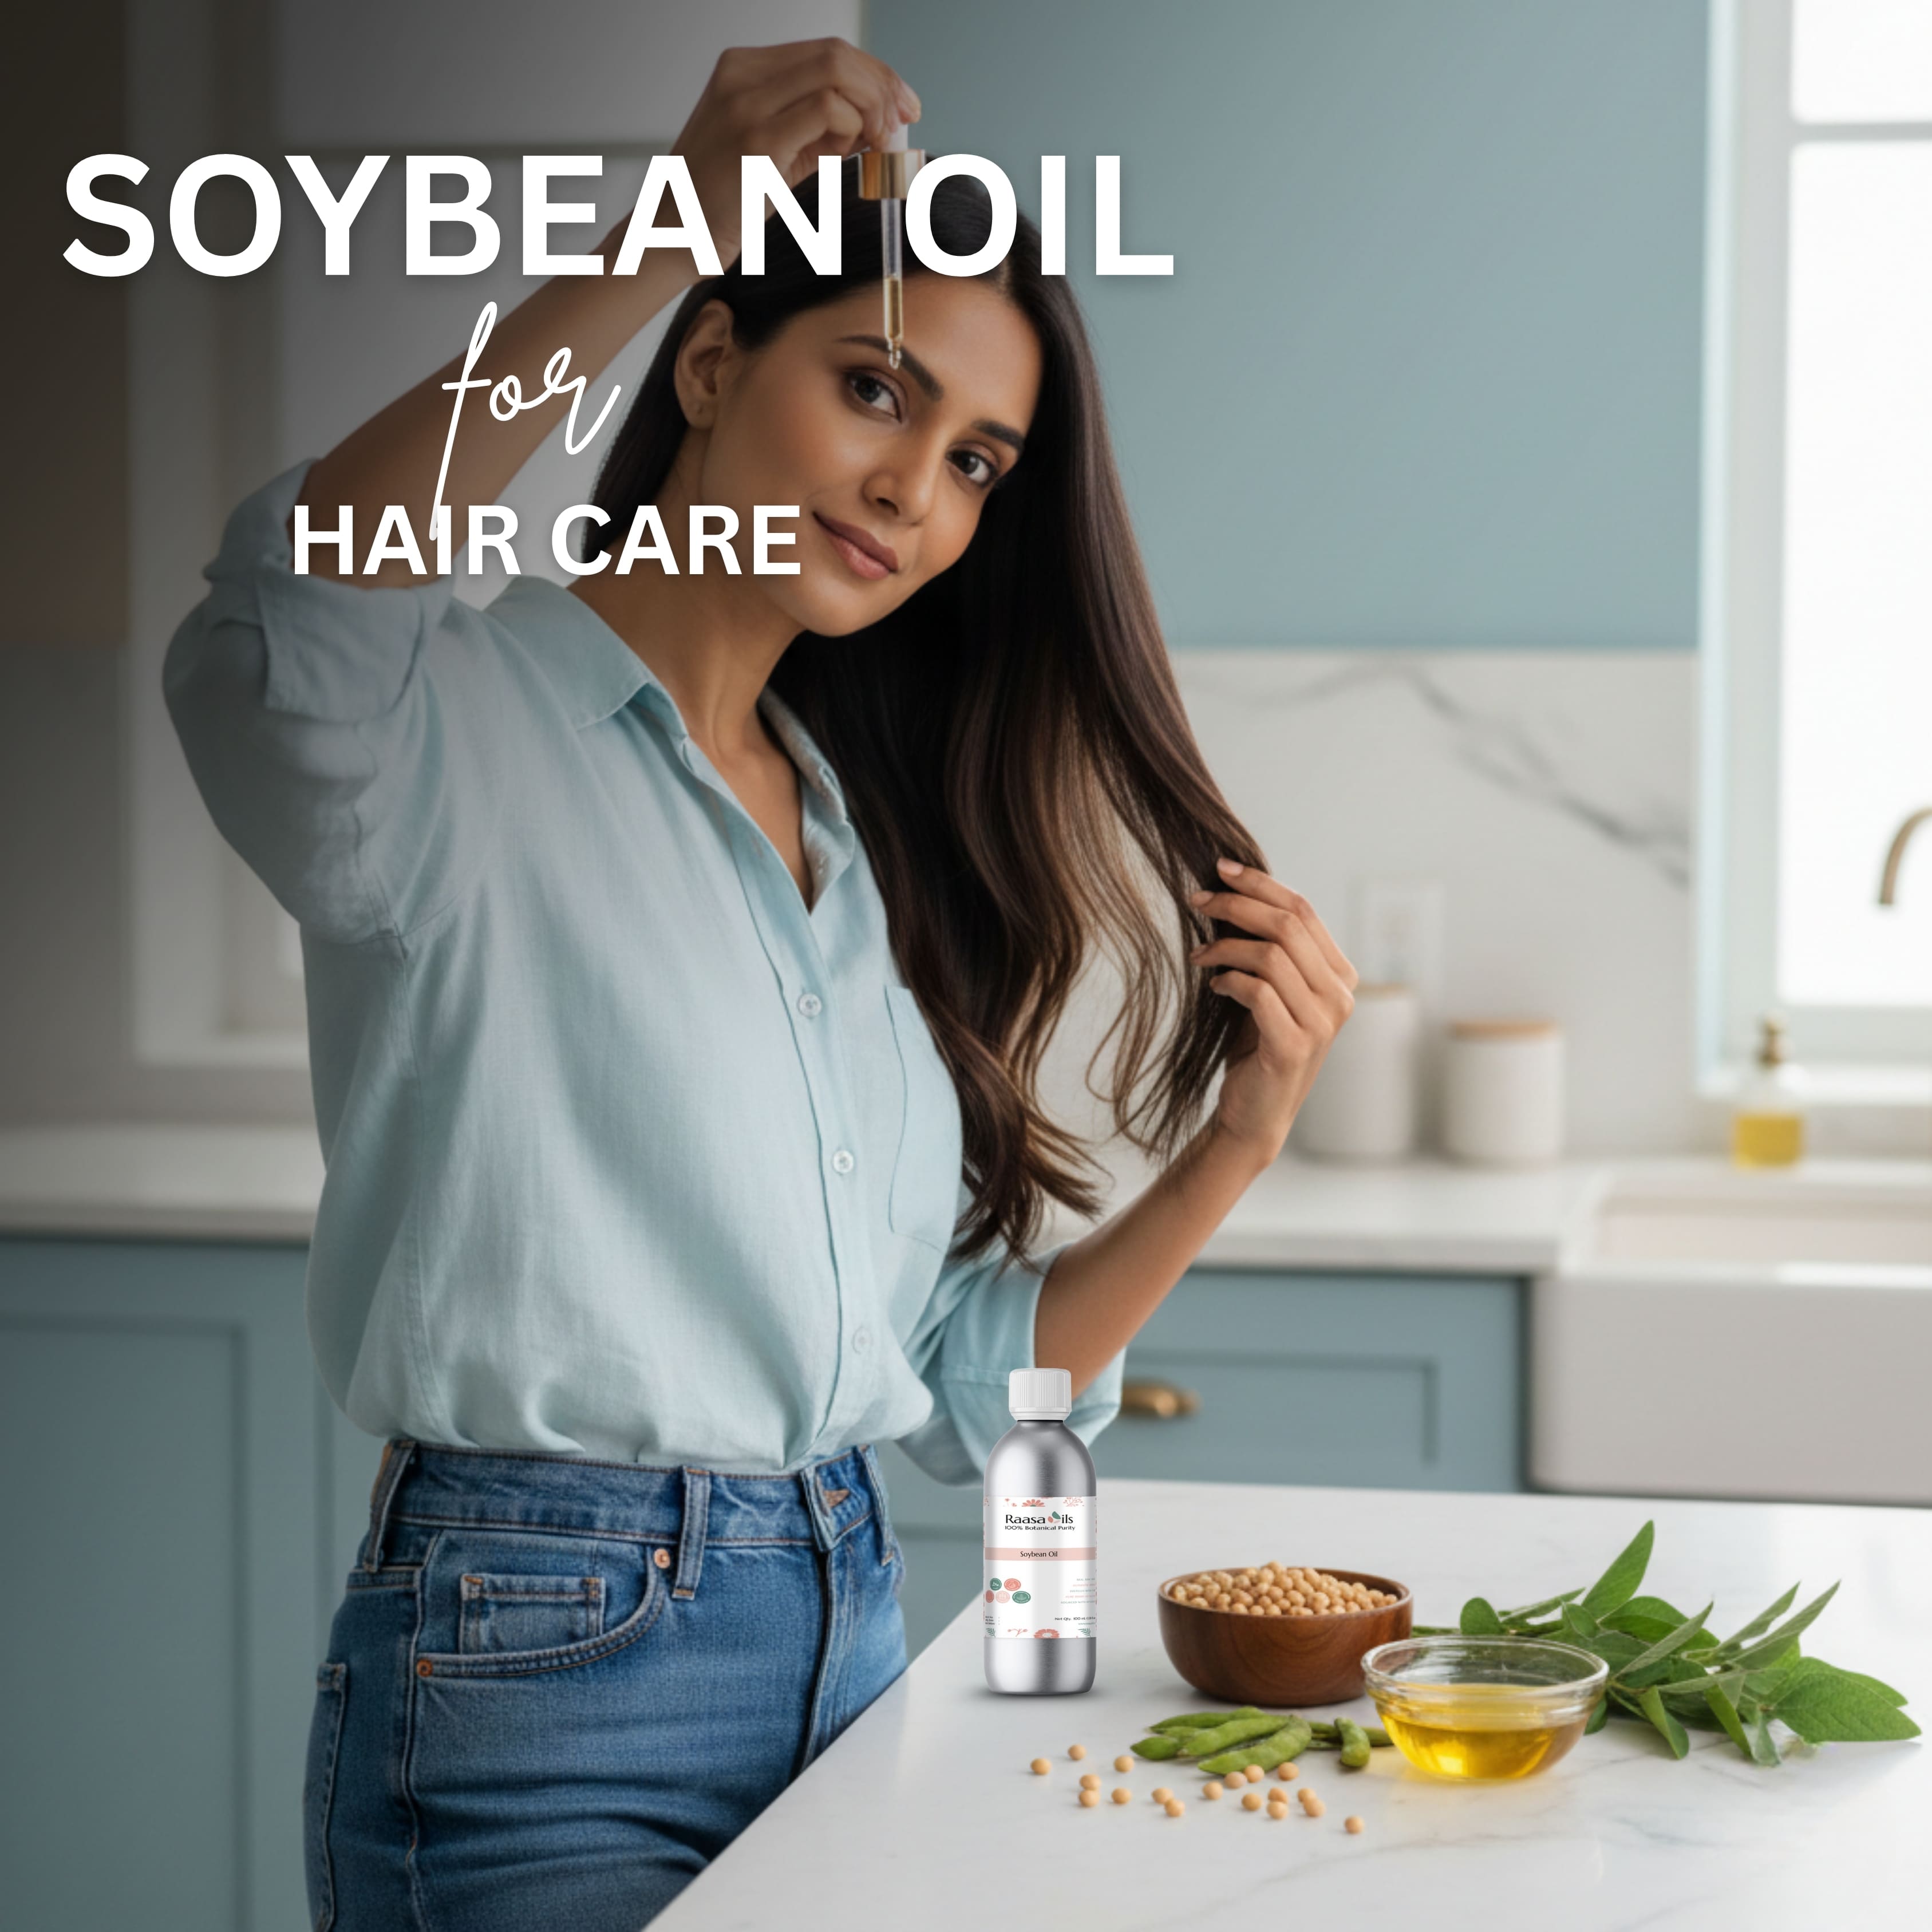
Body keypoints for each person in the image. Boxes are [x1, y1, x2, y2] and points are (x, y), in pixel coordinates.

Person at [163, 37, 1357, 1932]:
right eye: (874, 387)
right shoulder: (446, 736)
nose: (916, 487)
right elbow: (295, 614)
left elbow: (974, 1385)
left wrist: (1238, 1143)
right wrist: (665, 231)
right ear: (712, 364)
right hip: (542, 1670)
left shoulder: (852, 846)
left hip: (854, 1637)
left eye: (975, 461)